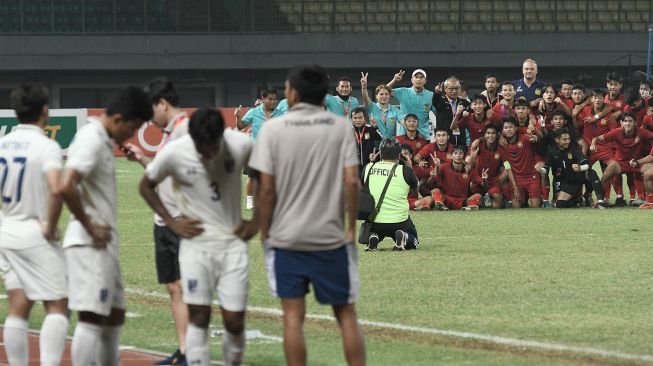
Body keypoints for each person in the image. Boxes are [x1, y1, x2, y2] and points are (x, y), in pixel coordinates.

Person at [248, 65, 365, 366]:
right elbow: (352, 181)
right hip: (330, 238)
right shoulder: (340, 127)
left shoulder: (273, 130)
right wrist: (350, 228)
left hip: (288, 239)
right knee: (346, 315)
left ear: (293, 93)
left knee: (292, 317)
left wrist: (265, 229)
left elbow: (266, 189)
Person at [140, 108, 253, 366]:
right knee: (198, 317)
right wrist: (172, 223)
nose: (208, 153)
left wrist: (258, 221)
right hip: (195, 247)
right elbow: (145, 186)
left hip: (232, 247)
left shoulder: (241, 144)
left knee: (234, 321)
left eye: (213, 146)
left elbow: (266, 175)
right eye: (202, 148)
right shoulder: (175, 151)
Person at [59, 87, 153, 365]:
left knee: (114, 315)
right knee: (91, 317)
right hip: (89, 244)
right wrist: (89, 225)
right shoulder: (91, 139)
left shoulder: (100, 138)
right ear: (119, 118)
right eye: (133, 128)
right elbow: (66, 184)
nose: (131, 135)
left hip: (102, 245)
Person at [120, 76, 190, 366]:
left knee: (186, 289)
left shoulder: (186, 132)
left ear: (163, 104)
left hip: (181, 222)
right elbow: (163, 173)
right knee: (174, 287)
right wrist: (141, 158)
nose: (150, 119)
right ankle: (184, 350)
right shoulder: (170, 135)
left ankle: (192, 353)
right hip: (164, 222)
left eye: (152, 111)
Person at [0, 84, 68, 366]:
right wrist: (50, 226)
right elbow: (56, 188)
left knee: (18, 305)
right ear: (45, 110)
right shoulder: (47, 146)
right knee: (58, 306)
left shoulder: (2, 144)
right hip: (34, 233)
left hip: (6, 232)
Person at [363, 139, 419, 251]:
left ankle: (374, 237)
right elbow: (415, 192)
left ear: (381, 154)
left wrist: (372, 162)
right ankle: (404, 237)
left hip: (375, 220)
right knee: (414, 240)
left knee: (379, 228)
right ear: (399, 155)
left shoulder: (368, 168)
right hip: (400, 222)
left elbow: (365, 187)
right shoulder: (405, 170)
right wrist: (409, 167)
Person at [591, 113, 653, 205]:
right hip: (620, 162)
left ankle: (650, 201)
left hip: (637, 162)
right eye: (625, 121)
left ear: (635, 123)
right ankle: (601, 200)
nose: (627, 123)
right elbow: (597, 138)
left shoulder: (641, 132)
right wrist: (593, 144)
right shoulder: (616, 132)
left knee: (650, 173)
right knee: (606, 175)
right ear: (621, 123)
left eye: (630, 121)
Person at [236, 85, 281, 210]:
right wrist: (238, 117)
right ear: (263, 98)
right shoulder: (253, 112)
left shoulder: (280, 114)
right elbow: (240, 126)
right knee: (252, 178)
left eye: (275, 99)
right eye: (270, 99)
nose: (273, 102)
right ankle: (249, 202)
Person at [540, 128, 606, 208]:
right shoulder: (551, 151)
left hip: (577, 176)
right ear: (557, 140)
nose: (567, 141)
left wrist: (580, 168)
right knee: (559, 205)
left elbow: (587, 164)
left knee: (591, 173)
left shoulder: (573, 148)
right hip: (566, 181)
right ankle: (577, 199)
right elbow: (545, 169)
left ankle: (600, 201)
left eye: (568, 139)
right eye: (564, 139)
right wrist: (540, 169)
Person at [498, 117, 542, 208]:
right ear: (502, 130)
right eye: (506, 128)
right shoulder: (502, 146)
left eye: (511, 127)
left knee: (536, 207)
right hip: (517, 178)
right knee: (516, 207)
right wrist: (516, 188)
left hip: (531, 176)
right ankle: (516, 199)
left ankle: (539, 197)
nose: (508, 130)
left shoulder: (524, 138)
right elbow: (508, 167)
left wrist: (535, 137)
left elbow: (538, 138)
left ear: (516, 128)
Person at [429, 145, 482, 211]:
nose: (458, 155)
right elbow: (434, 181)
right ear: (451, 156)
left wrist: (484, 179)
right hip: (446, 199)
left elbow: (482, 183)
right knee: (435, 190)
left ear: (464, 156)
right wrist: (436, 167)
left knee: (478, 195)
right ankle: (441, 205)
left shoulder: (469, 170)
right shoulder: (444, 167)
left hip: (462, 201)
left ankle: (469, 206)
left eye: (460, 153)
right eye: (455, 153)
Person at [386, 69, 434, 140]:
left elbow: (438, 113)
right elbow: (384, 91)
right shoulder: (403, 91)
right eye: (416, 77)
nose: (418, 79)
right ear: (412, 80)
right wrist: (395, 80)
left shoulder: (431, 95)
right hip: (404, 135)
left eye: (421, 77)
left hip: (423, 136)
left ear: (425, 81)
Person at [467, 124, 505, 208]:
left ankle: (490, 196)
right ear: (485, 134)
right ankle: (480, 196)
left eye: (493, 133)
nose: (490, 135)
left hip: (492, 181)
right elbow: (470, 156)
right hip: (478, 181)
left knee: (498, 205)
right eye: (488, 133)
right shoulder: (479, 144)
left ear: (497, 135)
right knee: (468, 159)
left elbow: (506, 165)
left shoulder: (501, 148)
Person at [360, 72, 404, 139]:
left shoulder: (395, 110)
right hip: (374, 145)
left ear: (389, 96)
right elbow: (365, 97)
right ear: (376, 96)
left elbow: (403, 122)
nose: (384, 96)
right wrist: (364, 87)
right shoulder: (372, 106)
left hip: (391, 145)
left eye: (386, 94)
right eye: (381, 94)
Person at [432, 76, 471, 147]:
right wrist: (437, 93)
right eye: (451, 88)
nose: (454, 91)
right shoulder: (441, 101)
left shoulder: (464, 102)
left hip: (461, 139)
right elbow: (435, 102)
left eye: (457, 88)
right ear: (445, 89)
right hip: (445, 140)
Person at [351, 106, 381, 176]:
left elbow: (381, 138)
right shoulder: (348, 130)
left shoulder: (370, 128)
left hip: (369, 165)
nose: (357, 120)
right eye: (355, 118)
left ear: (364, 118)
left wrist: (375, 127)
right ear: (351, 119)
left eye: (360, 117)